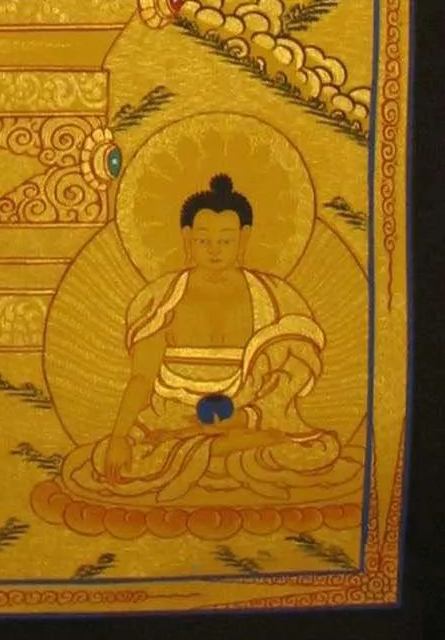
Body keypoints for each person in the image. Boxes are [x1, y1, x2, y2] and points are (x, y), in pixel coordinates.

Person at [60, 172, 362, 506]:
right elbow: (142, 377)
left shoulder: (275, 297)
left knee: (321, 449)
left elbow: (292, 372)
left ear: (244, 238)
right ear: (187, 238)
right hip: (173, 418)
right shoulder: (163, 298)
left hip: (249, 415)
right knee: (115, 457)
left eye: (226, 240)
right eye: (204, 240)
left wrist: (245, 417)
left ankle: (209, 451)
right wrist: (119, 436)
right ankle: (225, 451)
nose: (215, 250)